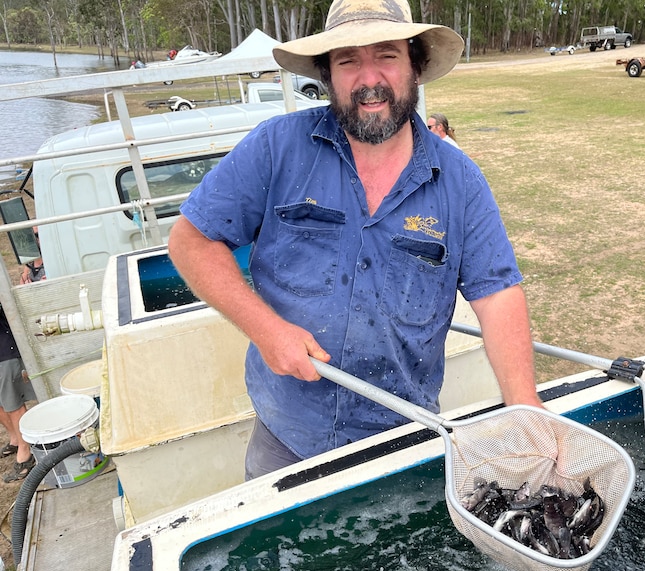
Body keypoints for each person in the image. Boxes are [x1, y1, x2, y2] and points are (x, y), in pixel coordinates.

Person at [167, 0, 542, 480]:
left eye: (386, 55)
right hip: (287, 437)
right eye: (347, 60)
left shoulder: (461, 182)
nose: (369, 79)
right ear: (327, 74)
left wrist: (525, 405)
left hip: (406, 439)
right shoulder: (275, 146)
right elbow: (191, 240)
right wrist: (267, 330)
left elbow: (498, 294)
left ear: (416, 65)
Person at [0, 308, 35, 482]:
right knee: (1, 404)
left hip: (4, 351)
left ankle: (26, 452)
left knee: (13, 402)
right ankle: (15, 439)